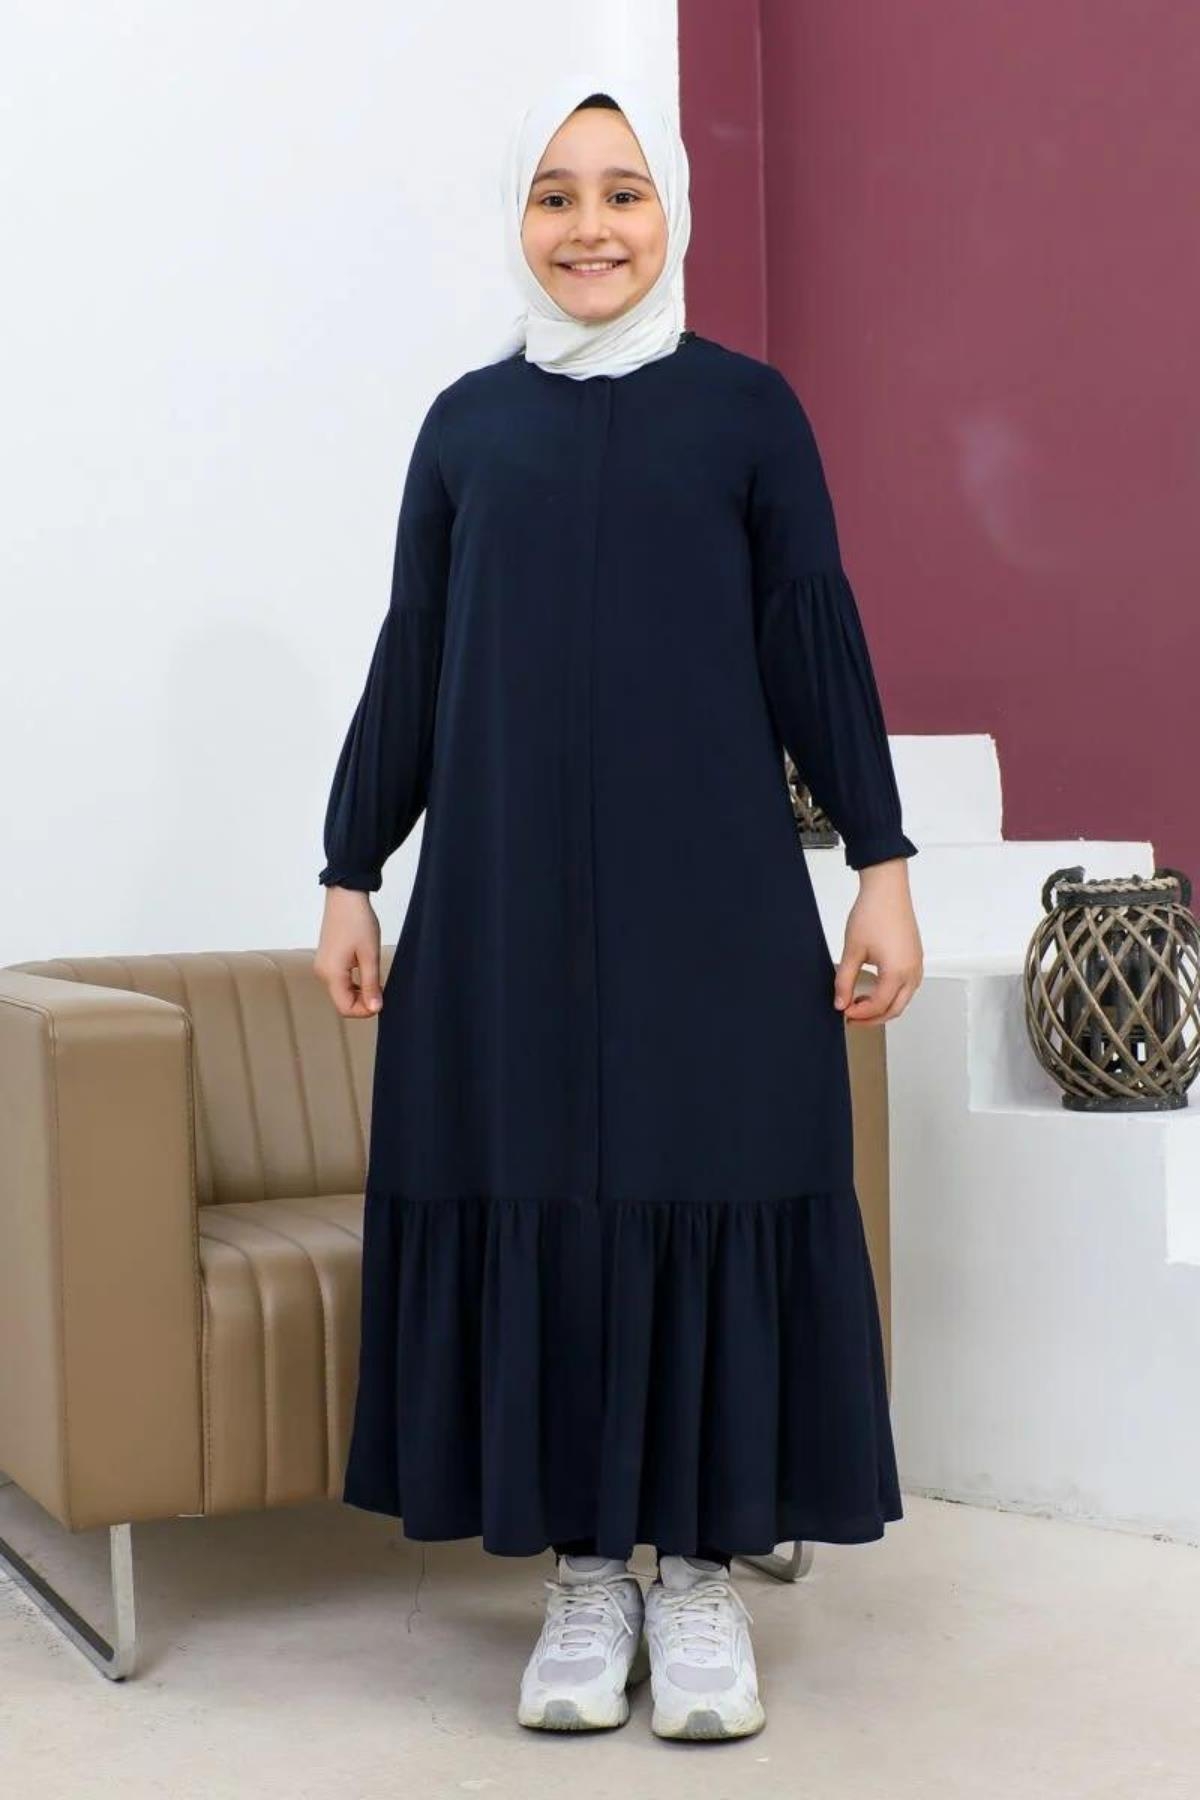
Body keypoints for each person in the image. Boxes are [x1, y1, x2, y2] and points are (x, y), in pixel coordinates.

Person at [313, 68, 923, 1743]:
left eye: (624, 192)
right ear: (519, 221)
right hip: (503, 911)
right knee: (548, 1195)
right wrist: (351, 866)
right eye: (557, 195)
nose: (591, 227)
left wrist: (881, 863)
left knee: (711, 1176)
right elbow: (417, 657)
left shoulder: (748, 415)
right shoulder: (467, 429)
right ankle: (588, 1580)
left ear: (673, 216)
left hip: (711, 908)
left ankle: (702, 1580)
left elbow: (812, 635)